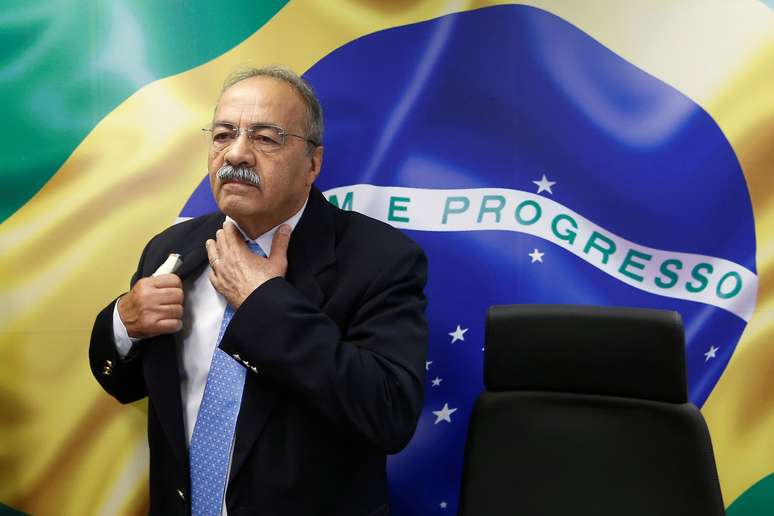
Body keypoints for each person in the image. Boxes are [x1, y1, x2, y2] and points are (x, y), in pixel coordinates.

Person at [89, 66, 428, 516]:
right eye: (223, 134)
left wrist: (264, 303)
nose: (238, 154)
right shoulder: (171, 249)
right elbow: (125, 383)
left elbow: (388, 414)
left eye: (266, 138)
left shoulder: (381, 257)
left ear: (312, 164)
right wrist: (124, 322)